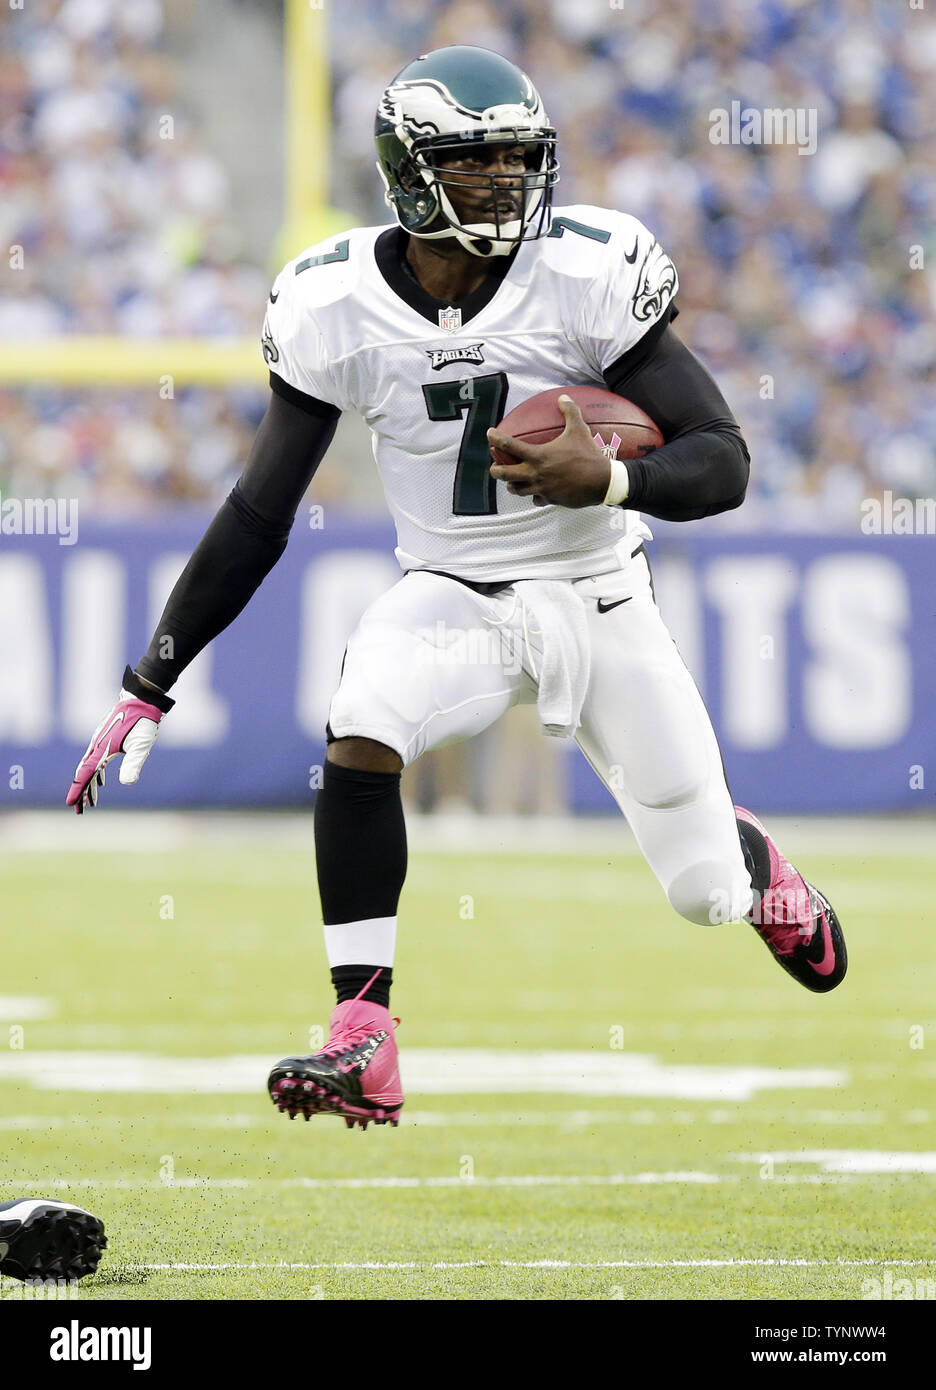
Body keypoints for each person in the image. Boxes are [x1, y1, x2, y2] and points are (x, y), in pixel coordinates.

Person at [67, 46, 847, 1130]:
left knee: (702, 893)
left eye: (518, 160)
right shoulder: (334, 299)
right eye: (475, 163)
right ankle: (364, 1031)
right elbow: (259, 510)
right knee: (363, 717)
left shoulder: (587, 272)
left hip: (599, 595)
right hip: (454, 593)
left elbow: (724, 456)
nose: (504, 184)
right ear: (407, 171)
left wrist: (613, 474)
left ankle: (750, 859)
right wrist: (151, 678)